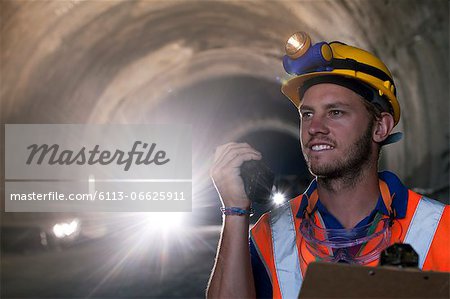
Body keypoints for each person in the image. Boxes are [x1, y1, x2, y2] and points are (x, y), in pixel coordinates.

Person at [206, 32, 450, 298]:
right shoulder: (271, 234)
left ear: (380, 127)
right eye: (307, 114)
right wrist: (235, 211)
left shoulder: (441, 228)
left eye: (335, 112)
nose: (315, 127)